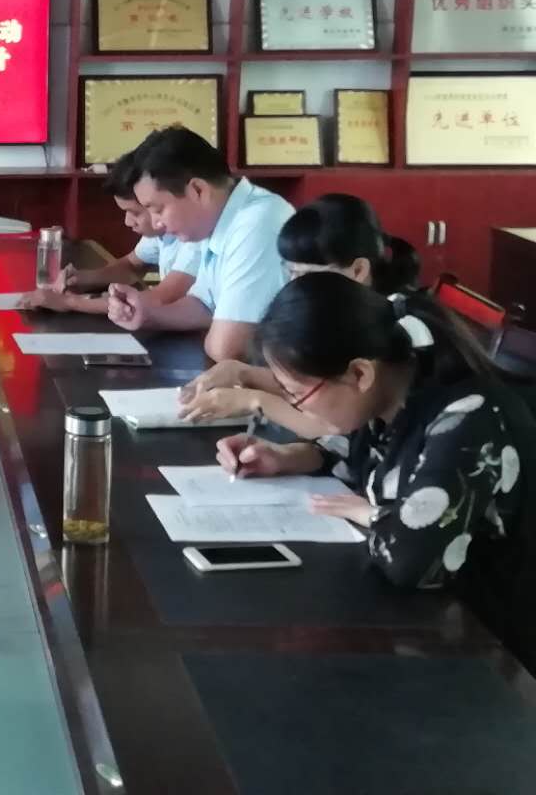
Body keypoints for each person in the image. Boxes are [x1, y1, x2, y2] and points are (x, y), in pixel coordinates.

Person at [214, 273, 534, 670]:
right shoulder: (396, 391)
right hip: (431, 624)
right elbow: (365, 456)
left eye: (297, 394)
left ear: (360, 374)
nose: (298, 408)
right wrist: (294, 456)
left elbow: (410, 560)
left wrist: (371, 514)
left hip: (494, 647)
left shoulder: (468, 416)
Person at [178, 194, 421, 435]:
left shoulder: (391, 327)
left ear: (358, 270)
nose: (294, 285)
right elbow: (316, 384)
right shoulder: (343, 315)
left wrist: (255, 400)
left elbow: (337, 425)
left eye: (306, 274)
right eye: (290, 272)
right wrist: (242, 372)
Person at [106, 127, 293, 361]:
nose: (156, 223)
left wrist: (213, 328)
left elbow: (227, 348)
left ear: (197, 190)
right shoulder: (215, 222)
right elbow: (202, 305)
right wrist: (145, 315)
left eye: (158, 209)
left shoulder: (257, 221)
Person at [18, 149, 203, 314]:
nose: (128, 222)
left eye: (135, 213)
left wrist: (70, 302)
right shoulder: (161, 230)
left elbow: (158, 299)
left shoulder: (192, 235)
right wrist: (83, 278)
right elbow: (132, 265)